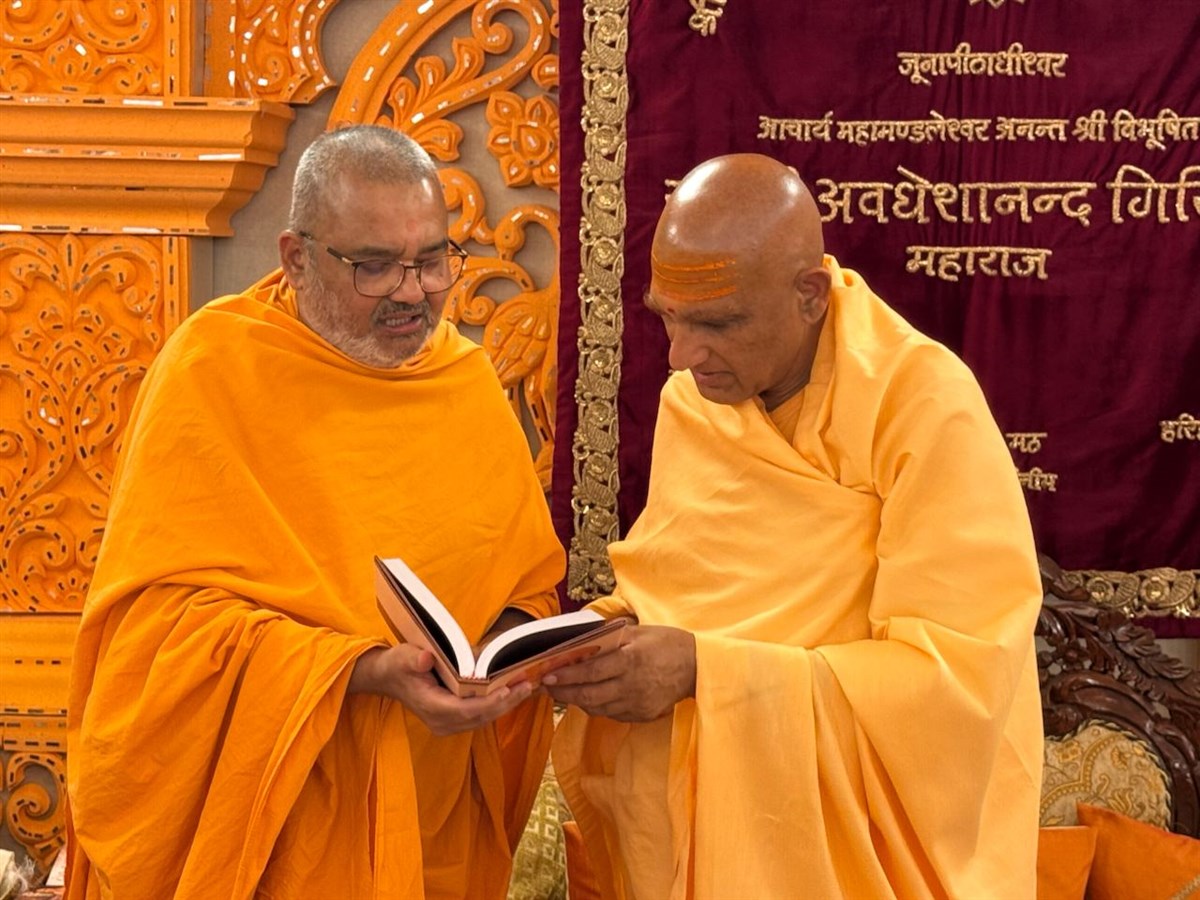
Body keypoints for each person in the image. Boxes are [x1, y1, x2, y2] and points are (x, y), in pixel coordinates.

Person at [66, 125, 564, 899]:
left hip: (429, 818)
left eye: (432, 260)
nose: (412, 291)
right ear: (296, 257)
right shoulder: (216, 370)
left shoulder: (464, 386)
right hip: (273, 827)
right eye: (374, 267)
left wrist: (502, 655)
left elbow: (524, 584)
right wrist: (358, 672)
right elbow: (154, 634)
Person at [547, 153, 1044, 898]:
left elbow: (955, 684)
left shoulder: (923, 405)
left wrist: (700, 672)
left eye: (716, 323)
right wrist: (590, 642)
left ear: (809, 294)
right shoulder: (698, 401)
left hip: (855, 856)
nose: (682, 357)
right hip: (695, 827)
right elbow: (679, 591)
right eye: (668, 320)